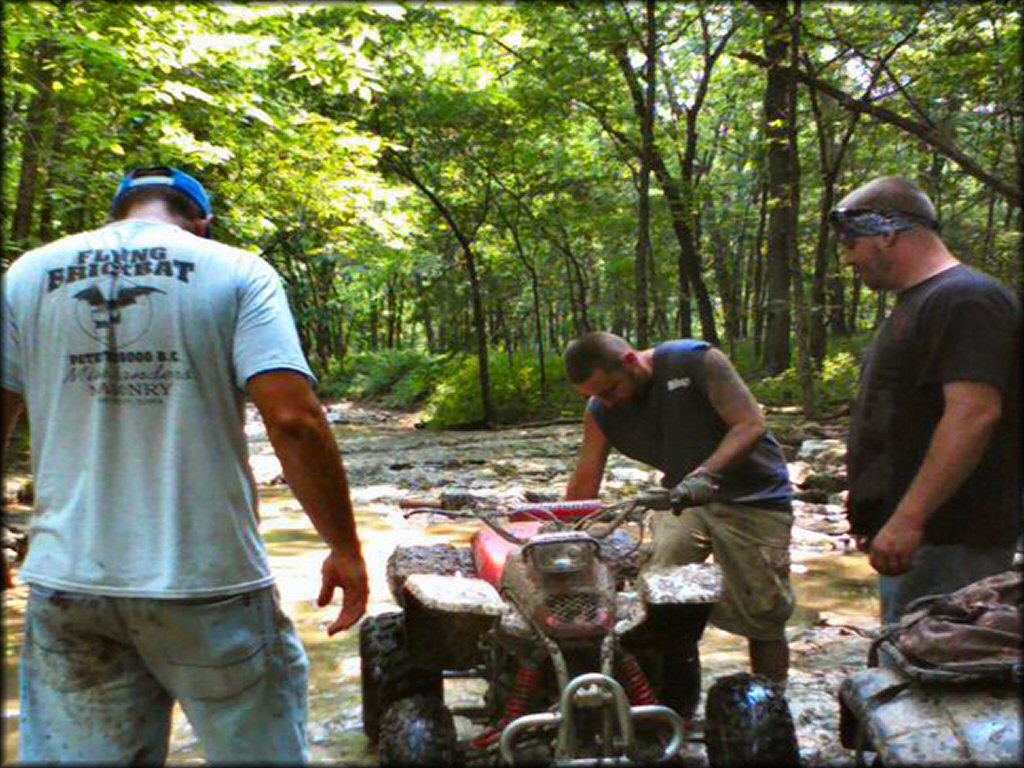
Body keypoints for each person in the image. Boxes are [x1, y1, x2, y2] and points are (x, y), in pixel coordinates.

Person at [1, 166, 369, 763]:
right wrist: (344, 546)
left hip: (68, 580)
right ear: (202, 222)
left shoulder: (26, 276)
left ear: (117, 211)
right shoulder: (236, 271)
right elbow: (295, 421)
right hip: (207, 578)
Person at [832, 176, 1022, 625]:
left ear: (887, 234)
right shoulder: (920, 302)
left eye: (850, 244)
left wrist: (907, 520)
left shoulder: (966, 298)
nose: (847, 259)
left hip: (952, 541)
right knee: (907, 668)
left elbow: (974, 413)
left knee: (935, 676)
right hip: (923, 544)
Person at [563, 332, 795, 690]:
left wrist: (703, 475)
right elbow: (585, 481)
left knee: (762, 607)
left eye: (609, 390)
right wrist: (563, 530)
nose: (605, 402)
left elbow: (750, 424)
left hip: (753, 496)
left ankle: (771, 696)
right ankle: (669, 696)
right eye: (595, 396)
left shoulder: (694, 361)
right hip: (682, 502)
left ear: (630, 362)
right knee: (660, 593)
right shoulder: (600, 412)